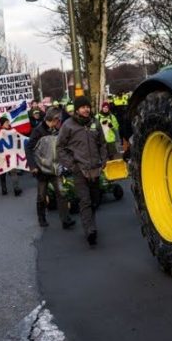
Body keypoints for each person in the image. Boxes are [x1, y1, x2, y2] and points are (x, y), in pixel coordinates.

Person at [56, 96, 108, 246]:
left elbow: (102, 143)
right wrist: (72, 165)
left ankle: (91, 223)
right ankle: (90, 230)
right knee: (85, 201)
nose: (86, 109)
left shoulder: (95, 123)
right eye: (83, 107)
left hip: (95, 169)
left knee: (95, 201)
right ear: (77, 109)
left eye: (88, 107)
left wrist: (103, 160)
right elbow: (60, 148)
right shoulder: (68, 125)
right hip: (79, 169)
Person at [27, 107, 73, 228]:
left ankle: (66, 220)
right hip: (41, 169)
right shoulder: (38, 131)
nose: (59, 122)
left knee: (61, 194)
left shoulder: (56, 130)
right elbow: (28, 148)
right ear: (54, 119)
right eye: (58, 120)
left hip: (55, 168)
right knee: (42, 195)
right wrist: (33, 166)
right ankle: (41, 218)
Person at [0, 116, 22, 197]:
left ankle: (16, 189)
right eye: (6, 122)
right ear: (2, 124)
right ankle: (5, 189)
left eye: (8, 122)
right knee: (4, 173)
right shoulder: (7, 131)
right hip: (4, 155)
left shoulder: (0, 131)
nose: (8, 124)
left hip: (10, 154)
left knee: (12, 171)